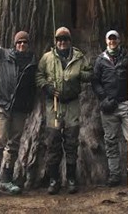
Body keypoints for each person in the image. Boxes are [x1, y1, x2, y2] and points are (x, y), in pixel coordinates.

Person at [0, 18, 37, 199]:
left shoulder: (33, 62)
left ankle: (6, 179)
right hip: (2, 105)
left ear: (28, 44)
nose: (22, 45)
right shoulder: (4, 55)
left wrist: (29, 105)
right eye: (19, 42)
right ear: (15, 43)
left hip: (20, 110)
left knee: (13, 145)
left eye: (25, 42)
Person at [36, 26, 92, 195]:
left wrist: (81, 75)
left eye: (65, 39)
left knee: (71, 141)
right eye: (59, 39)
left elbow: (89, 73)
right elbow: (38, 75)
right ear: (56, 41)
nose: (62, 42)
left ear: (69, 41)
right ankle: (54, 180)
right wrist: (46, 87)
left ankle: (71, 179)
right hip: (54, 104)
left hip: (72, 104)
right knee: (53, 141)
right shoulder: (47, 58)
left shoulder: (78, 57)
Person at [92, 30, 128, 187]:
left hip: (126, 105)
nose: (112, 41)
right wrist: (103, 99)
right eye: (109, 39)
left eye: (114, 38)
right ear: (106, 41)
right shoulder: (100, 60)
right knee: (110, 141)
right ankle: (114, 175)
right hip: (108, 107)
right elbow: (95, 82)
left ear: (119, 40)